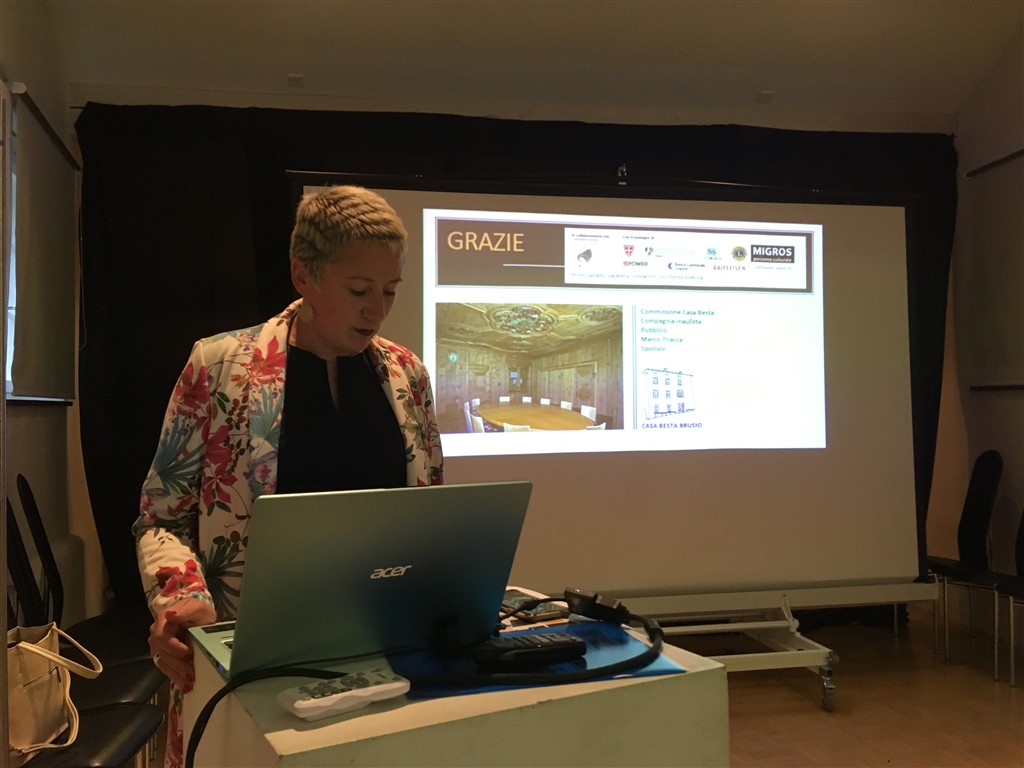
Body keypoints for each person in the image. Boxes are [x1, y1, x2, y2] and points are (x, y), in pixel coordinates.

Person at [132, 185, 444, 768]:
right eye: (359, 290)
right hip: (250, 663)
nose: (377, 310)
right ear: (303, 274)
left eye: (390, 291)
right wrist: (181, 598)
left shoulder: (408, 376)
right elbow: (160, 518)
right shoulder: (219, 366)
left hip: (387, 660)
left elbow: (429, 518)